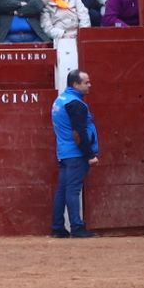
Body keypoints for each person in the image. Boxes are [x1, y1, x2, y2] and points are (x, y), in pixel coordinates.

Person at [52, 68, 99, 238]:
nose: (89, 85)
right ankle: (77, 227)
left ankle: (58, 227)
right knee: (73, 190)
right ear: (75, 84)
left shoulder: (60, 101)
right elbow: (79, 133)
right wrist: (90, 155)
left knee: (63, 190)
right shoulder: (75, 103)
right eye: (86, 82)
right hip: (75, 154)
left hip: (64, 152)